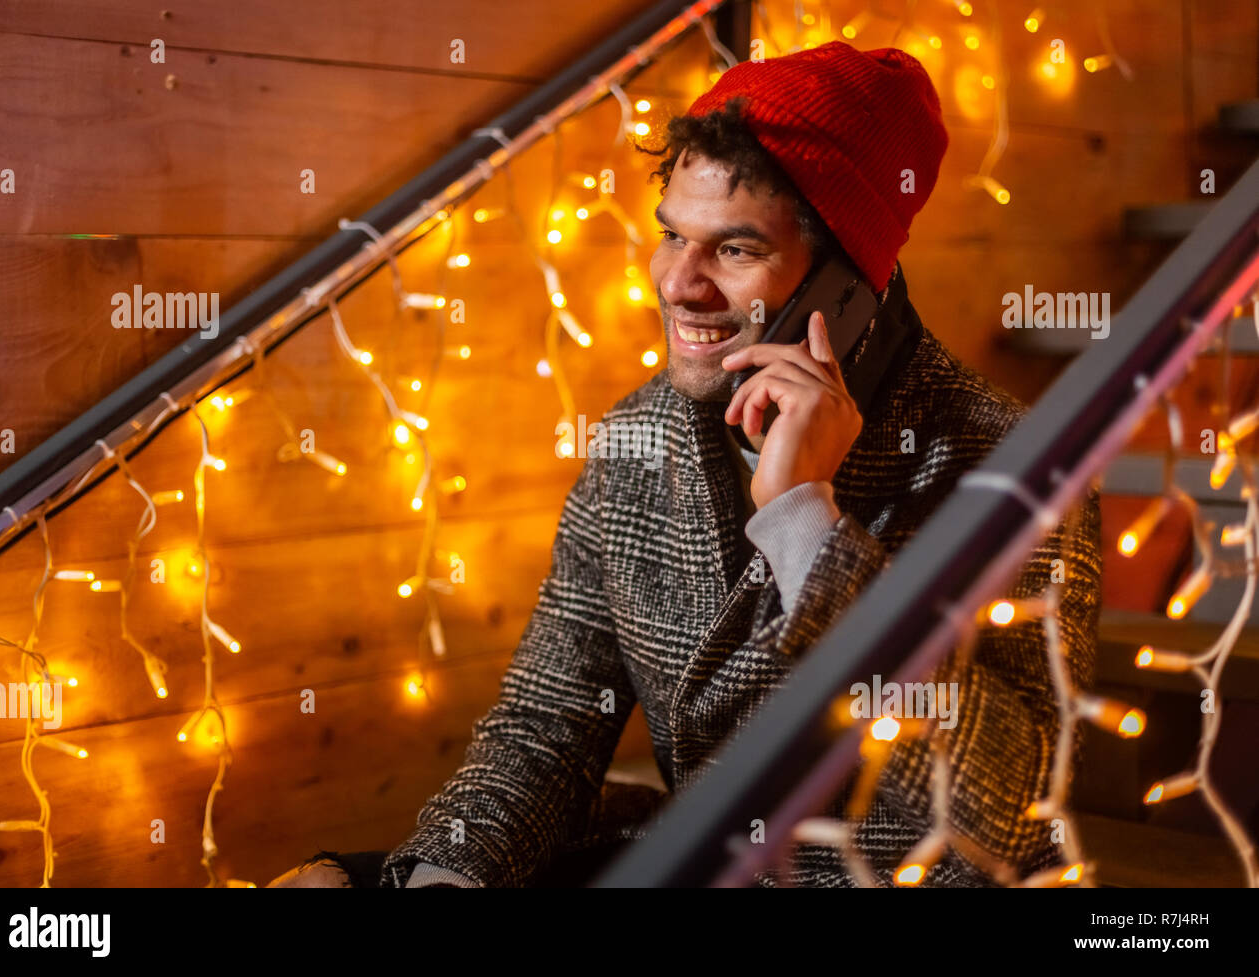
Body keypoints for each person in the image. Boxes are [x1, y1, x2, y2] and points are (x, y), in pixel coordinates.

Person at [270, 41, 1101, 889]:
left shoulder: (1013, 467)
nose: (676, 282)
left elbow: (1000, 813)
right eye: (673, 235)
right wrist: (452, 877)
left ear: (848, 288)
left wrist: (807, 527)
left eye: (735, 250)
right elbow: (546, 726)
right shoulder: (640, 439)